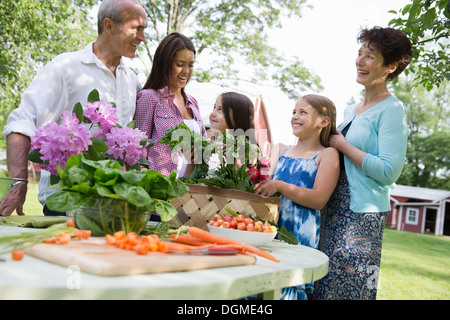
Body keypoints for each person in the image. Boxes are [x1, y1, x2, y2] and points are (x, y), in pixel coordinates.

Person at [1, 0, 148, 217]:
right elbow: (21, 123)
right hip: (65, 206)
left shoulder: (132, 80)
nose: (142, 38)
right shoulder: (64, 68)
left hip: (111, 207)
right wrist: (19, 181)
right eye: (136, 28)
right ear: (109, 26)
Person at [312, 26, 413, 300]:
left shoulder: (392, 109)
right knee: (317, 284)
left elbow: (388, 171)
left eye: (370, 56)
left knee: (346, 289)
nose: (360, 61)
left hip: (360, 214)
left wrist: (344, 145)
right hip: (330, 206)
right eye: (359, 53)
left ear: (390, 66)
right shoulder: (349, 110)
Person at [254, 94, 340, 299]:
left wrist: (280, 186)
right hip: (268, 232)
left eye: (303, 112)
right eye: (294, 112)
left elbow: (319, 200)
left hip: (299, 238)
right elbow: (262, 184)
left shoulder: (327, 155)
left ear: (323, 121)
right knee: (259, 287)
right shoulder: (280, 149)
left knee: (286, 290)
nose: (295, 116)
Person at [134, 32, 206, 178]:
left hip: (193, 190)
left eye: (190, 65)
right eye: (180, 64)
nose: (186, 71)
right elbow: (138, 151)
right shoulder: (149, 97)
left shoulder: (193, 103)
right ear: (165, 63)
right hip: (160, 187)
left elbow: (203, 149)